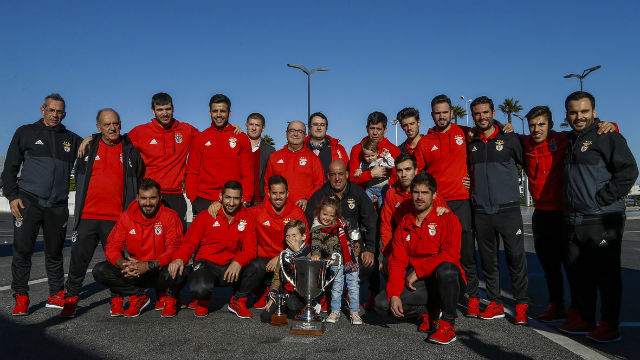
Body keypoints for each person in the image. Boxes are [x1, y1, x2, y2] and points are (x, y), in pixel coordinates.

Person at [519, 106, 617, 323]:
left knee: (572, 266)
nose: (536, 129)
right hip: (541, 215)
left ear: (551, 125)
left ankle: (576, 309)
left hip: (564, 214)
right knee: (549, 266)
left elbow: (594, 132)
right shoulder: (524, 143)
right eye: (532, 125)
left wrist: (611, 125)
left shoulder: (565, 139)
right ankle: (557, 306)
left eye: (541, 124)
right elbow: (503, 137)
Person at [559, 91, 638, 342]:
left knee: (607, 275)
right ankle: (585, 318)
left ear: (594, 112)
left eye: (584, 111)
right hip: (575, 219)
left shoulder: (608, 136)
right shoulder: (571, 139)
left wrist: (603, 199)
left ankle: (609, 324)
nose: (579, 116)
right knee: (580, 273)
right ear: (567, 114)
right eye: (573, 112)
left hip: (603, 218)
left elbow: (629, 171)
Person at [2, 93, 82, 316]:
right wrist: (12, 195)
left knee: (55, 252)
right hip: (28, 201)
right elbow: (10, 167)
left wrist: (91, 139)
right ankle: (21, 296)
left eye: (60, 112)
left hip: (57, 205)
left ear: (64, 114)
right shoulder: (25, 132)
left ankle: (56, 292)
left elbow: (91, 151)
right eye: (51, 110)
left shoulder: (72, 138)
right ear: (42, 110)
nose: (55, 115)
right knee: (23, 251)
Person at [60, 108, 144, 318]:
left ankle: (117, 299)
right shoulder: (88, 148)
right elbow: (78, 179)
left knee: (115, 263)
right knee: (78, 260)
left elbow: (139, 180)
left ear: (121, 124)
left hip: (116, 219)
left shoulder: (131, 151)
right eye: (106, 125)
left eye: (115, 123)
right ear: (98, 127)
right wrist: (91, 139)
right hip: (87, 216)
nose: (112, 128)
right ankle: (71, 299)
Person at [375, 173, 465, 345]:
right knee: (381, 304)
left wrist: (418, 271)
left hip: (447, 281)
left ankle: (447, 324)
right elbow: (397, 261)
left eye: (425, 193)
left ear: (434, 195)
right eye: (416, 192)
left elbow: (450, 254)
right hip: (422, 285)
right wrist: (394, 294)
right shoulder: (405, 223)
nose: (419, 197)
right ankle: (430, 312)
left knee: (447, 268)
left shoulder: (447, 218)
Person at [414, 94, 479, 317]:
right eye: (437, 113)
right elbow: (419, 174)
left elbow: (489, 133)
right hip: (437, 205)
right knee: (438, 252)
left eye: (445, 112)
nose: (441, 116)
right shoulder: (425, 142)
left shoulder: (465, 133)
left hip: (461, 202)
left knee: (466, 252)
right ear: (432, 115)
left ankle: (473, 298)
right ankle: (440, 299)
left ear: (451, 112)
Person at [466, 96, 528, 324]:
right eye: (477, 114)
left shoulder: (510, 138)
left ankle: (521, 304)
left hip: (508, 210)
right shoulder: (470, 142)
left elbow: (529, 160)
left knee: (516, 259)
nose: (481, 117)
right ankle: (495, 303)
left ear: (493, 113)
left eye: (485, 112)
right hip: (481, 211)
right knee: (489, 261)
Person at [91, 178, 184, 318]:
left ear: (160, 198)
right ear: (137, 198)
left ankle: (170, 296)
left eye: (152, 198)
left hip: (158, 269)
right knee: (100, 270)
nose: (148, 203)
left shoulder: (170, 216)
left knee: (180, 268)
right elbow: (112, 246)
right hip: (135, 271)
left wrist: (149, 264)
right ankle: (138, 295)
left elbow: (175, 249)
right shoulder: (126, 217)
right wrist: (123, 264)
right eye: (143, 198)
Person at [166, 181, 257, 318]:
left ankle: (238, 300)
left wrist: (238, 262)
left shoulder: (247, 217)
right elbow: (189, 244)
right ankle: (202, 301)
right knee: (200, 288)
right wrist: (179, 258)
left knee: (257, 266)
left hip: (231, 266)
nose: (231, 203)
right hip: (207, 264)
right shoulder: (205, 216)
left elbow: (250, 250)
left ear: (242, 199)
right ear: (220, 196)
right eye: (228, 197)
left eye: (236, 198)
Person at [231, 175, 309, 318]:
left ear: (287, 193)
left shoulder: (296, 212)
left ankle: (275, 294)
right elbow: (234, 211)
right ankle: (239, 300)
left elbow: (305, 243)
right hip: (265, 262)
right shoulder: (257, 211)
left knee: (293, 308)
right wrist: (217, 204)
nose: (278, 197)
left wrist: (280, 257)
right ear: (268, 194)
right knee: (255, 265)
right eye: (274, 193)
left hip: (288, 260)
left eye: (281, 193)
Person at [305, 160, 378, 307]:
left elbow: (371, 220)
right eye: (333, 174)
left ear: (347, 174)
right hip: (328, 248)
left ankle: (358, 292)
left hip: (352, 245)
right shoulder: (320, 195)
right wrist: (314, 251)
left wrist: (370, 249)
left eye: (340, 174)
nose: (337, 178)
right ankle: (327, 291)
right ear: (328, 176)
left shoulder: (357, 192)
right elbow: (308, 223)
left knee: (370, 262)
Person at [127, 92, 199, 230]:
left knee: (178, 239)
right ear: (153, 111)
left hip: (176, 195)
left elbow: (208, 139)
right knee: (148, 239)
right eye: (160, 110)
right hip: (150, 195)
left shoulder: (186, 130)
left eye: (167, 109)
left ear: (173, 109)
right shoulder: (140, 131)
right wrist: (94, 138)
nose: (164, 113)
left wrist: (230, 129)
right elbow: (117, 143)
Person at [186, 94, 254, 215]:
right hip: (203, 199)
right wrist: (193, 199)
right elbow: (192, 171)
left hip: (233, 199)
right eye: (215, 111)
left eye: (222, 111)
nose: (218, 115)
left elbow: (247, 172)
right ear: (209, 113)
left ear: (229, 113)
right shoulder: (200, 138)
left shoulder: (241, 138)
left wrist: (246, 200)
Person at [310, 197, 361, 325]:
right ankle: (335, 310)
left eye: (331, 215)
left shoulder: (342, 223)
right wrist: (316, 254)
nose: (327, 217)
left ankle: (354, 311)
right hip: (335, 260)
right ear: (319, 212)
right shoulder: (318, 228)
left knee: (353, 285)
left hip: (351, 258)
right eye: (324, 214)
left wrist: (357, 244)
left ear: (336, 215)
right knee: (337, 286)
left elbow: (352, 235)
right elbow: (316, 243)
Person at [263, 121, 324, 211]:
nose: (296, 134)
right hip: (278, 211)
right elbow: (267, 184)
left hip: (303, 211)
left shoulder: (313, 158)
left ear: (305, 135)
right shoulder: (275, 156)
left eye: (300, 131)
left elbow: (320, 184)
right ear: (286, 133)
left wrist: (307, 199)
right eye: (292, 130)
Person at [260, 219, 310, 323]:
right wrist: (273, 295)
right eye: (288, 236)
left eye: (294, 235)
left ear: (303, 236)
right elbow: (277, 277)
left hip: (301, 294)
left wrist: (297, 251)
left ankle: (305, 308)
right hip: (285, 292)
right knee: (266, 317)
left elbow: (307, 272)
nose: (290, 239)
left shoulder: (309, 252)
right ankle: (286, 309)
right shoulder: (284, 254)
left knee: (292, 303)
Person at [348, 111, 401, 188]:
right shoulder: (357, 149)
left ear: (385, 130)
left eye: (379, 129)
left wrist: (384, 193)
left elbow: (396, 177)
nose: (375, 132)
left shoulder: (393, 150)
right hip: (363, 196)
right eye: (372, 128)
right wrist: (371, 174)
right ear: (367, 129)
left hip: (385, 196)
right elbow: (353, 179)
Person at [354, 139, 395, 207]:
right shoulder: (363, 164)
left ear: (377, 153)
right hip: (370, 189)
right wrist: (358, 171)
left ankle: (382, 215)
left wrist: (388, 156)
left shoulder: (381, 160)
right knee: (365, 200)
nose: (370, 158)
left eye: (372, 155)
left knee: (382, 205)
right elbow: (360, 171)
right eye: (367, 156)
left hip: (383, 188)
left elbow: (392, 165)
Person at [246, 113, 275, 205]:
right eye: (251, 124)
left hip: (261, 201)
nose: (253, 128)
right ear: (246, 126)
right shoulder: (239, 147)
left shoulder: (270, 151)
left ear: (263, 128)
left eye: (257, 125)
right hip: (240, 199)